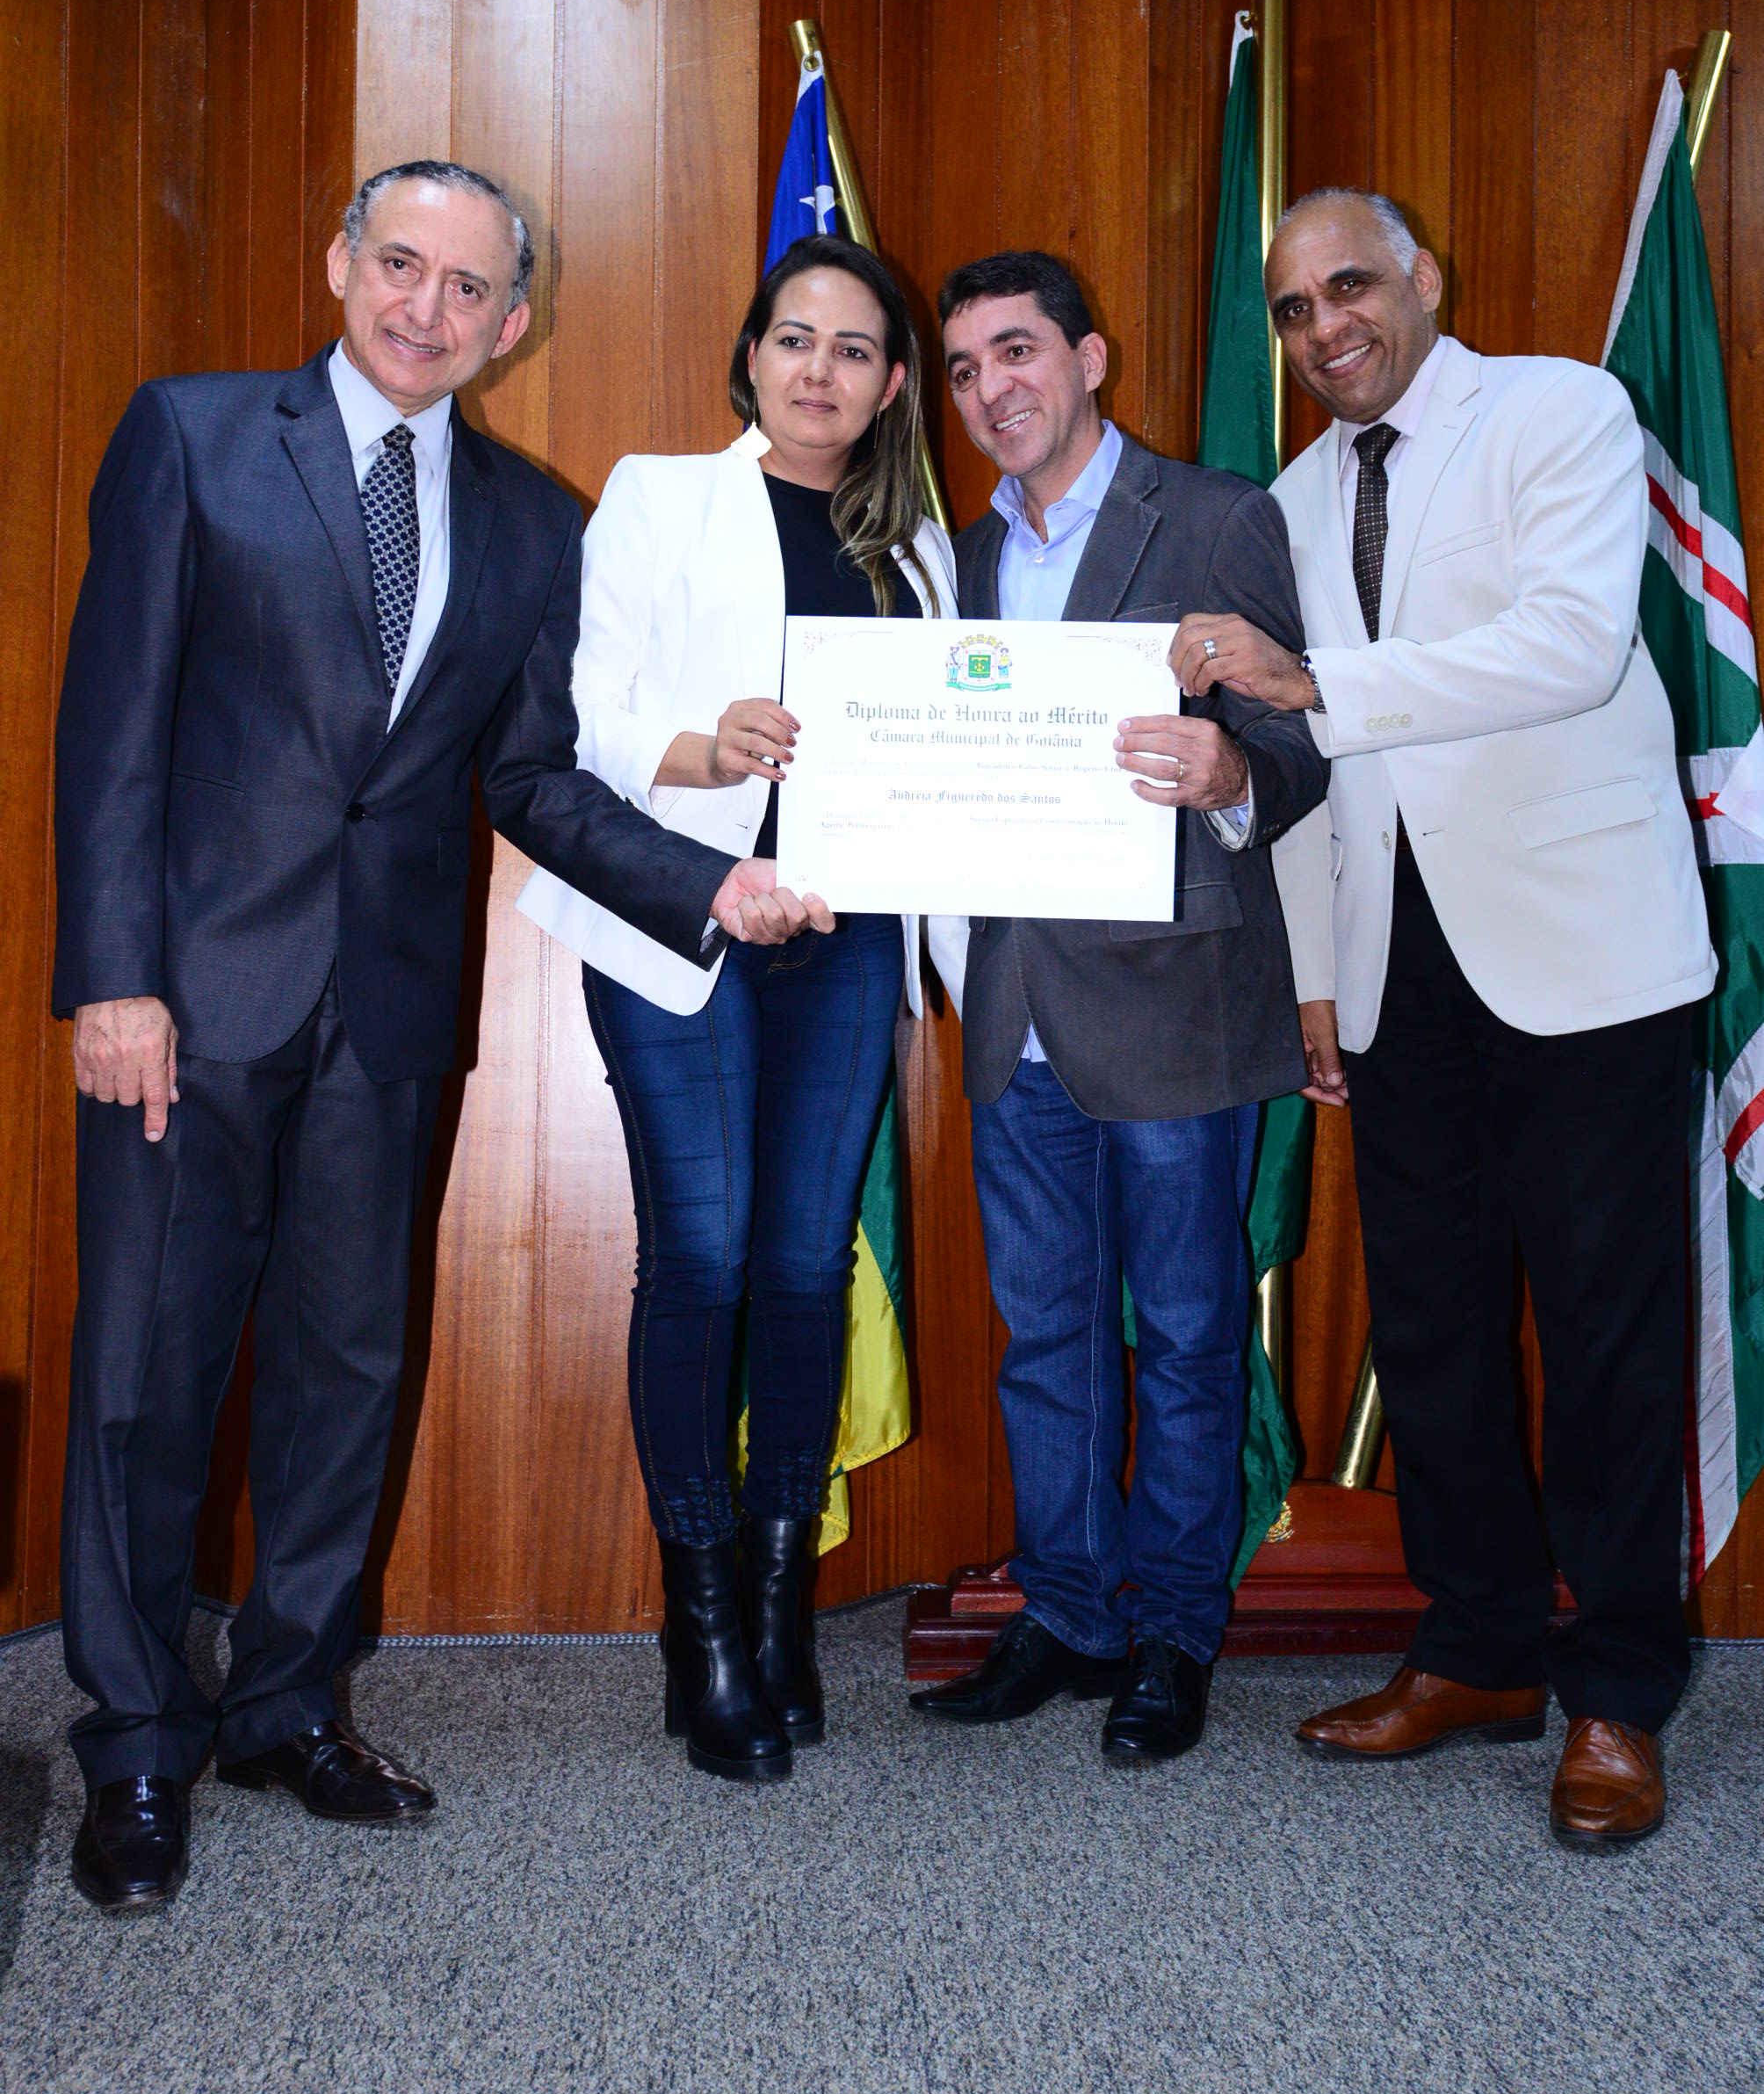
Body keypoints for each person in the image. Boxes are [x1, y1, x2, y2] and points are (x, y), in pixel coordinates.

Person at [55, 161, 825, 1914]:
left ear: (512, 324)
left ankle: (286, 1704)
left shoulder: (536, 521)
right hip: (187, 1001)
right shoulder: (191, 436)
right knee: (146, 1380)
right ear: (340, 262)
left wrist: (710, 886)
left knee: (347, 1371)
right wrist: (112, 979)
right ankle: (136, 1739)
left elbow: (534, 780)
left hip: (390, 1013)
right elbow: (113, 725)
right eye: (400, 264)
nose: (426, 306)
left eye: (468, 287)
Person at [1172, 186, 1716, 1848]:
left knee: (1609, 1337)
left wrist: (1315, 680)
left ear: (1424, 275)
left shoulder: (1561, 410)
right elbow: (1302, 771)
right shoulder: (1290, 498)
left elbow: (1570, 645)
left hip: (1587, 957)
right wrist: (1316, 976)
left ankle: (1616, 1689)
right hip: (1397, 976)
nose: (1323, 327)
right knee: (1433, 1333)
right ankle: (1479, 1647)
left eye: (1350, 285)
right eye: (1293, 308)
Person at [520, 235, 961, 1783]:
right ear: (752, 356)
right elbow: (585, 706)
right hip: (677, 930)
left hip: (846, 942)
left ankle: (780, 1611)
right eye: (795, 339)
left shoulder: (921, 552)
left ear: (891, 386)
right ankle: (700, 1625)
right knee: (701, 1258)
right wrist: (708, 749)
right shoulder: (660, 495)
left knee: (801, 1269)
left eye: (854, 349)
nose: (819, 369)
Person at [907, 250, 1326, 1762]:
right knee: (1047, 1337)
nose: (990, 390)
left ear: (1091, 359)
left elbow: (1303, 749)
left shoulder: (1215, 517)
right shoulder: (952, 560)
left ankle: (1174, 1631)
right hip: (1014, 1008)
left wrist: (1232, 772)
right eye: (964, 370)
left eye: (1017, 353)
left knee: (1193, 1336)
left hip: (1175, 1006)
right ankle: (1074, 1610)